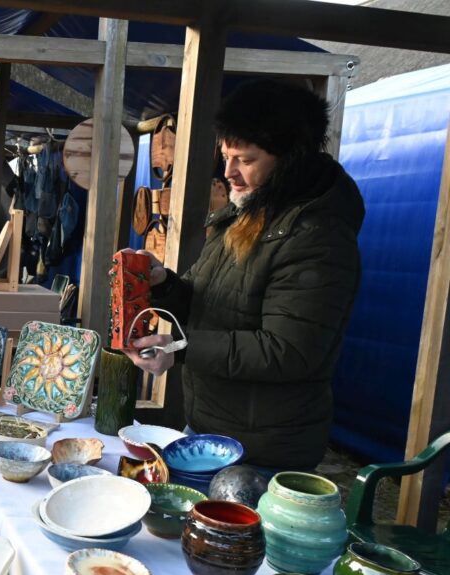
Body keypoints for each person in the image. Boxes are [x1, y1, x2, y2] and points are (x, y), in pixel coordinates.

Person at [123, 79, 364, 473]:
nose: (228, 172)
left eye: (246, 160)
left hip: (262, 454)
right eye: (226, 156)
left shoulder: (318, 238)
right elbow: (209, 303)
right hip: (211, 430)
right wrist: (162, 283)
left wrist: (180, 347)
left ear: (290, 158)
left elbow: (287, 352)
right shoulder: (245, 212)